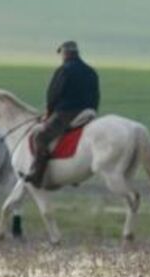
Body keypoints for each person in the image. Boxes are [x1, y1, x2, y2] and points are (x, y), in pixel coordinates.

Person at [24, 41, 100, 188]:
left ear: (66, 53)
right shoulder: (91, 71)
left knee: (40, 136)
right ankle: (75, 173)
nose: (62, 57)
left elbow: (53, 94)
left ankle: (37, 175)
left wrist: (49, 112)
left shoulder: (64, 70)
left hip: (67, 113)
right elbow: (96, 95)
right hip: (88, 113)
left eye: (62, 54)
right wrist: (92, 111)